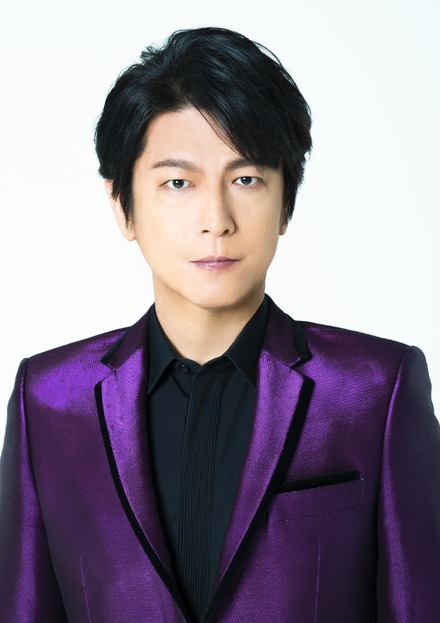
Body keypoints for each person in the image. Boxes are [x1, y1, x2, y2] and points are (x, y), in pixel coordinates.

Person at [0, 26, 439, 623]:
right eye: (178, 183)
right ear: (123, 205)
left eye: (246, 179)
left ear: (286, 203)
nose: (216, 219)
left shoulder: (374, 391)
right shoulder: (49, 402)